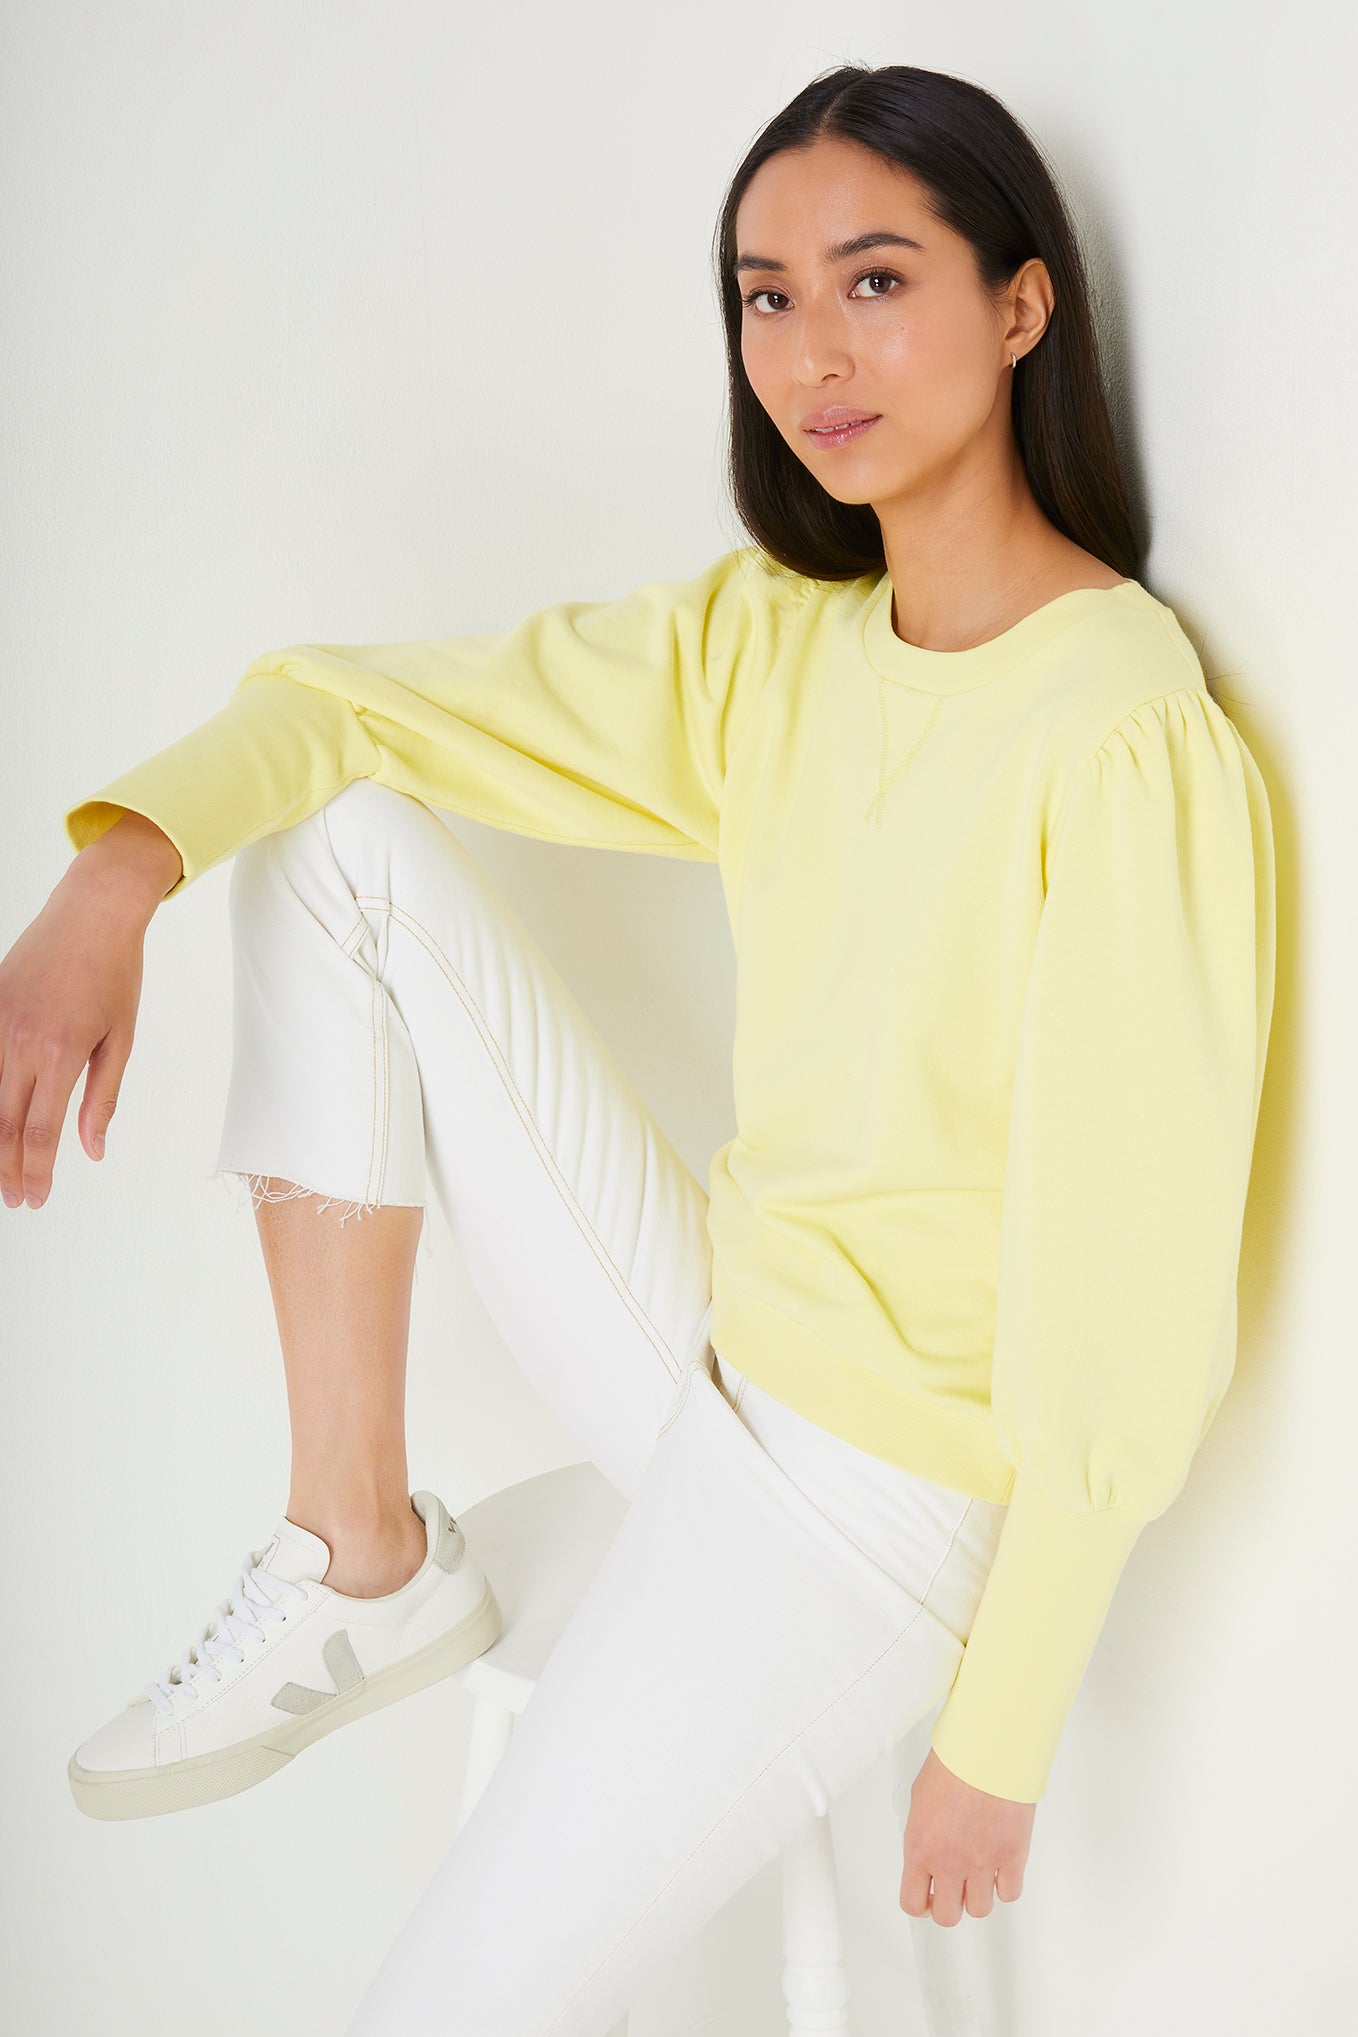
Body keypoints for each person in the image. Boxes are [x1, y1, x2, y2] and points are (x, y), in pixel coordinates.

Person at [0, 60, 1274, 2035]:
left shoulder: (1118, 723)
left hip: (875, 1502)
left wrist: (1001, 1727)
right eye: (765, 296)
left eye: (873, 281)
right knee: (339, 839)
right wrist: (119, 872)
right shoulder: (780, 644)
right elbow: (359, 712)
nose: (809, 351)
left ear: (1021, 303)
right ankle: (360, 1547)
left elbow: (1131, 1289)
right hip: (719, 1344)